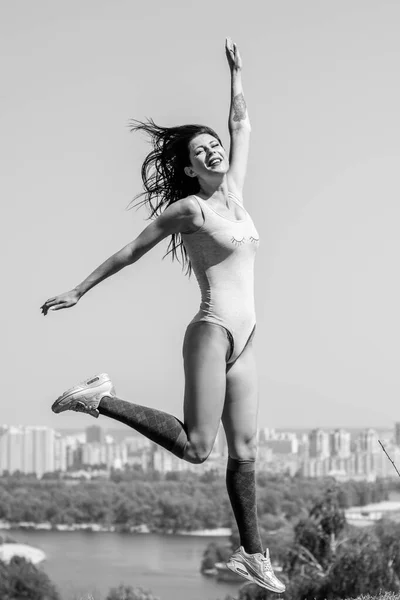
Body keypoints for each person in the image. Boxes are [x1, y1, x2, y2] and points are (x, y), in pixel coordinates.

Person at [40, 38, 285, 593]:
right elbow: (130, 251)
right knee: (200, 448)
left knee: (244, 452)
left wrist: (237, 75)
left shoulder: (238, 196)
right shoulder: (189, 209)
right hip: (212, 332)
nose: (212, 151)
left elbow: (241, 125)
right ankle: (97, 398)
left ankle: (252, 554)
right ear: (190, 166)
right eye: (200, 151)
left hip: (248, 340)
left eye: (213, 145)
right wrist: (80, 290)